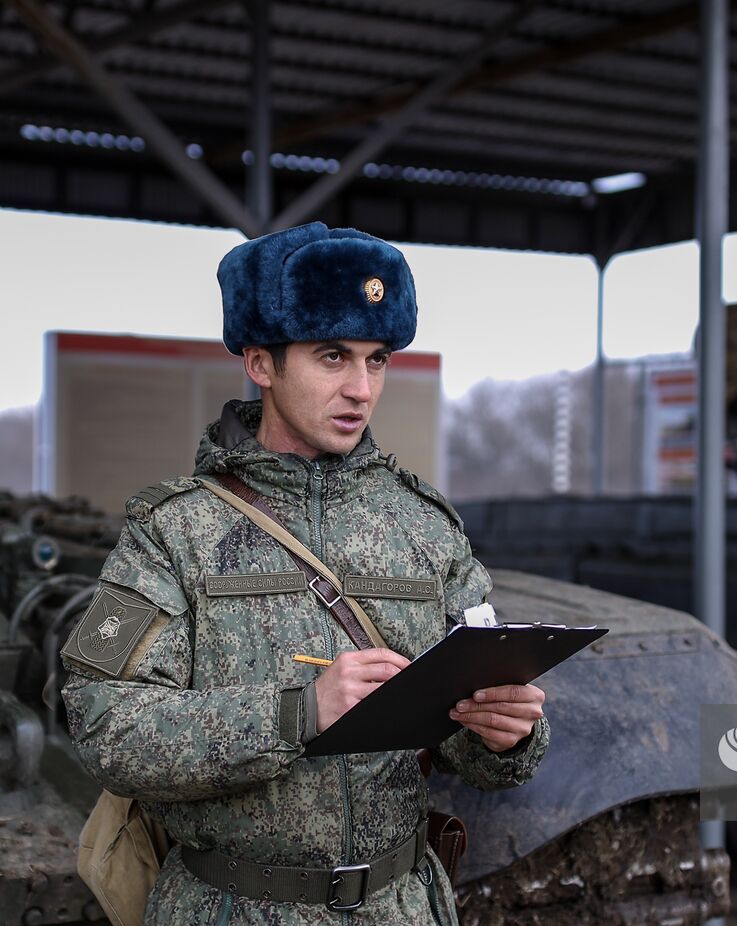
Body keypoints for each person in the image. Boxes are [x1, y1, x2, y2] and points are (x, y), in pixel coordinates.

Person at [60, 222, 550, 924]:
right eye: (332, 357)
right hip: (232, 907)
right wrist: (299, 712)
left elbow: (486, 752)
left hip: (402, 907)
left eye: (377, 360)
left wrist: (508, 734)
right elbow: (106, 726)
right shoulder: (173, 533)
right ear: (262, 364)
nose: (360, 388)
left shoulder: (425, 529)